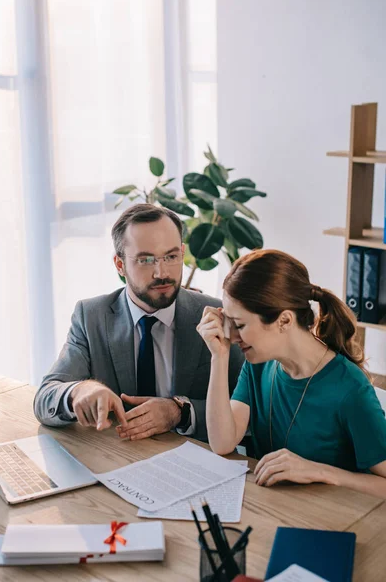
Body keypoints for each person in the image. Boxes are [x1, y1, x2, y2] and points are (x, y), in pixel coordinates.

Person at [34, 203, 243, 441]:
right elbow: (45, 398)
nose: (161, 273)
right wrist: (80, 390)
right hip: (119, 460)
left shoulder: (214, 314)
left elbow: (249, 406)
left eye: (171, 256)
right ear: (120, 265)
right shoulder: (91, 316)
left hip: (199, 464)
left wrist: (180, 412)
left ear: (182, 253)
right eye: (145, 260)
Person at [197, 248, 386, 498]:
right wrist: (218, 357)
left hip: (328, 521)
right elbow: (222, 443)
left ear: (284, 321)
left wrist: (322, 472)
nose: (230, 336)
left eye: (240, 324)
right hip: (275, 508)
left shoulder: (350, 389)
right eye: (228, 321)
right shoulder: (258, 364)